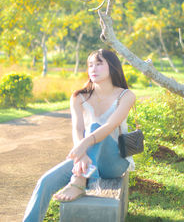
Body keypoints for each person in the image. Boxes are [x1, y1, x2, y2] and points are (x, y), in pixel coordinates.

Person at [23, 49, 136, 222]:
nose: (93, 68)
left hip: (114, 164)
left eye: (99, 64)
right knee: (45, 182)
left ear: (112, 66)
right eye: (90, 65)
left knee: (96, 128)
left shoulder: (125, 95)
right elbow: (77, 129)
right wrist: (81, 154)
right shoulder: (79, 96)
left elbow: (109, 126)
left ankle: (78, 181)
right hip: (88, 159)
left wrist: (83, 145)